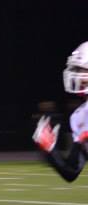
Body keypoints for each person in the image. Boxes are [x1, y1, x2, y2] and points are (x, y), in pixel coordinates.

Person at [34, 41, 88, 180]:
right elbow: (71, 171)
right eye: (76, 70)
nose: (77, 75)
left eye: (81, 70)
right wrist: (51, 149)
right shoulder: (80, 116)